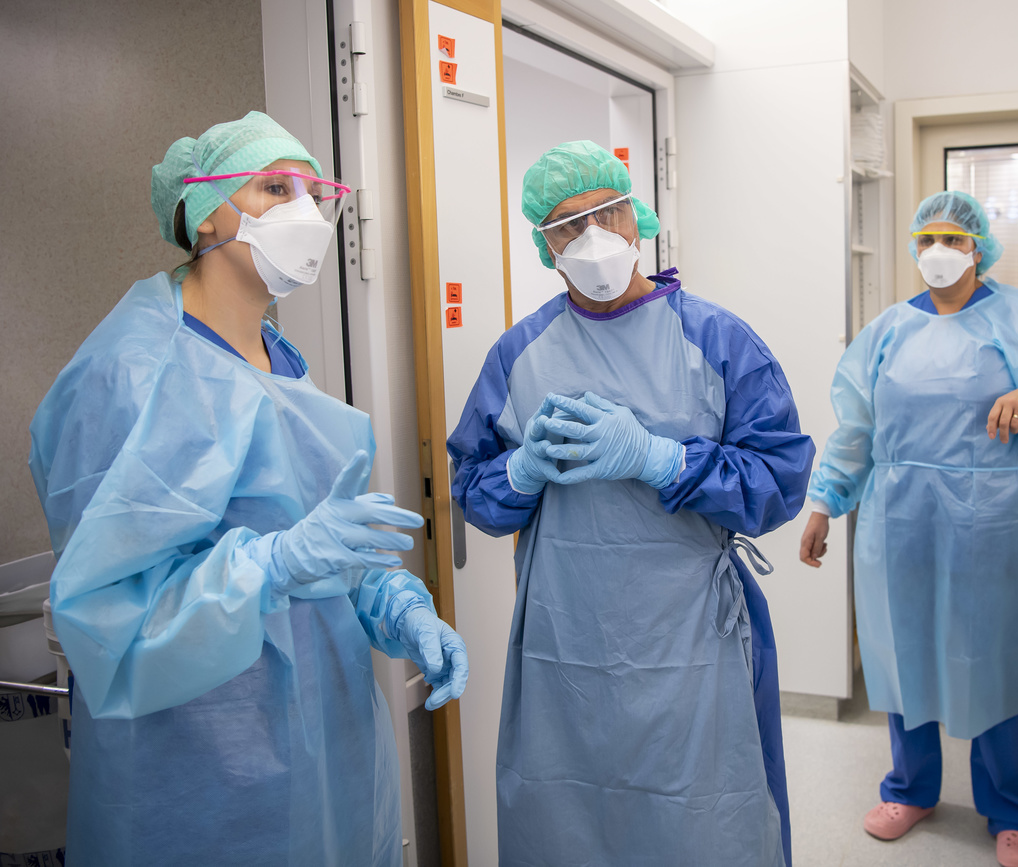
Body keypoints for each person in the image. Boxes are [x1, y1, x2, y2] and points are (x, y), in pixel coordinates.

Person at [28, 111, 469, 867]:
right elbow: (108, 621)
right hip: (203, 773)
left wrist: (390, 599)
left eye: (313, 190)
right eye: (274, 187)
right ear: (206, 215)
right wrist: (270, 566)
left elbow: (312, 535)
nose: (306, 211)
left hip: (329, 747)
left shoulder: (278, 356)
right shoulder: (129, 373)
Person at [448, 140, 814, 866]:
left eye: (605, 213)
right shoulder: (519, 354)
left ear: (637, 216)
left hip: (689, 641)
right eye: (566, 225)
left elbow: (778, 479)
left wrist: (662, 458)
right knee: (569, 816)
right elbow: (474, 493)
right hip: (567, 647)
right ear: (542, 244)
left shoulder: (717, 339)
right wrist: (521, 472)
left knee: (702, 821)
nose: (590, 237)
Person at [798, 191, 1018, 867]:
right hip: (900, 516)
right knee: (903, 650)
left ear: (979, 248)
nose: (940, 252)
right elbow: (855, 430)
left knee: (991, 656)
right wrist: (824, 504)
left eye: (955, 240)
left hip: (992, 520)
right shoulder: (884, 332)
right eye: (929, 239)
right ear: (914, 248)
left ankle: (1011, 808)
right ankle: (910, 787)